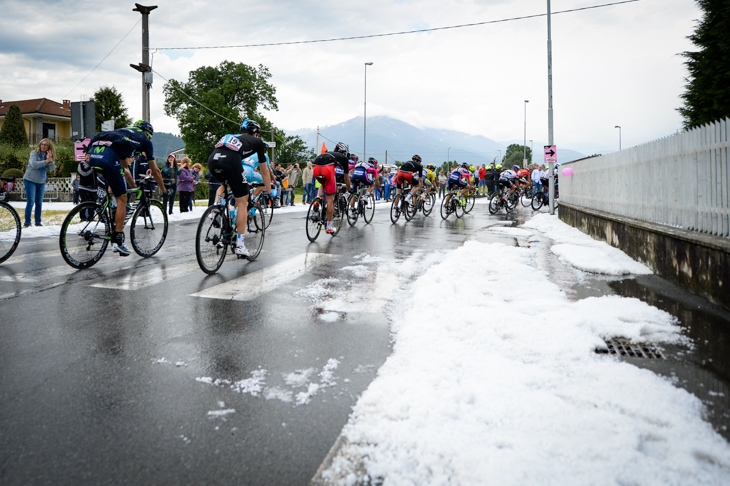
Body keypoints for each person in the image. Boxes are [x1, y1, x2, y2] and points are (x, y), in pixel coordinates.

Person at [86, 120, 165, 256]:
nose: (149, 139)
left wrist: (134, 187)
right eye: (150, 136)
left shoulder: (124, 138)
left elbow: (125, 170)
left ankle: (110, 205)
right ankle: (117, 241)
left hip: (94, 156)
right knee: (122, 198)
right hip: (108, 158)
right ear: (147, 133)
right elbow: (155, 171)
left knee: (117, 185)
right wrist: (163, 190)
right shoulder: (144, 141)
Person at [207, 119, 271, 257]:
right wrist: (269, 189)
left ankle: (216, 209)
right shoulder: (258, 142)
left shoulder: (232, 136)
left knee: (225, 186)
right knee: (242, 200)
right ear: (256, 133)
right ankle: (240, 246)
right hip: (231, 162)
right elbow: (264, 172)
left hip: (213, 160)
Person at [312, 141, 351, 234]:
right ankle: (328, 227)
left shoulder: (328, 153)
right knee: (330, 200)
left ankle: (318, 199)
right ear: (344, 152)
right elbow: (346, 178)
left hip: (316, 168)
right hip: (328, 170)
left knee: (323, 183)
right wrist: (350, 189)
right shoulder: (344, 158)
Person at [23, 138, 56, 227]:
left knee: (39, 202)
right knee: (31, 202)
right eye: (42, 144)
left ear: (49, 147)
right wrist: (45, 161)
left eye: (45, 145)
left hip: (41, 181)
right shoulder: (34, 153)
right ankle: (27, 223)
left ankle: (38, 222)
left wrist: (50, 160)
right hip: (30, 180)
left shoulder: (47, 155)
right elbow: (34, 164)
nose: (43, 146)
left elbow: (52, 168)